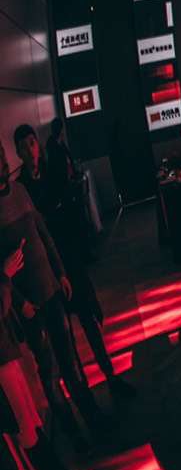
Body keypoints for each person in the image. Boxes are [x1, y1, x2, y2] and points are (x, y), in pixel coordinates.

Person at [0, 142, 106, 447]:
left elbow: (43, 233)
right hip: (29, 306)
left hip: (51, 288)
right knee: (49, 370)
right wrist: (20, 303)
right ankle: (74, 434)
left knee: (70, 360)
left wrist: (60, 272)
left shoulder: (20, 192)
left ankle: (94, 419)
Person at [12, 126, 128, 397]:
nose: (30, 150)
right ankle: (86, 389)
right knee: (66, 336)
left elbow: (70, 211)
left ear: (38, 145)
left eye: (32, 143)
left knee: (88, 319)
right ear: (18, 152)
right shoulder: (22, 188)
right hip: (48, 267)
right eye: (24, 146)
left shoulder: (52, 174)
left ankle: (111, 376)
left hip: (69, 256)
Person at [0, 275, 93, 470]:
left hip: (7, 354)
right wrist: (6, 277)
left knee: (32, 423)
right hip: (2, 363)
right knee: (27, 431)